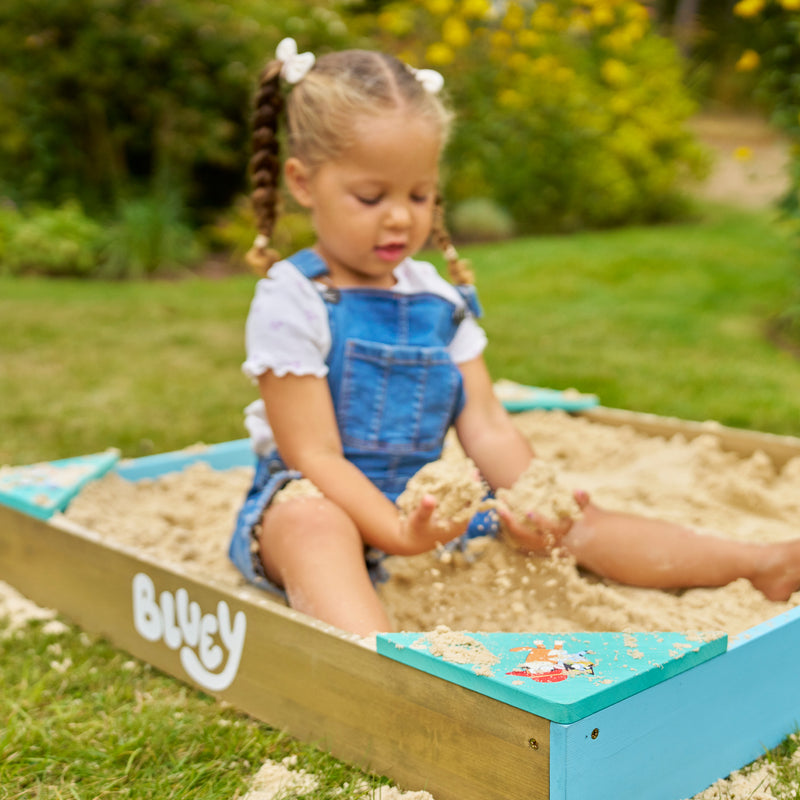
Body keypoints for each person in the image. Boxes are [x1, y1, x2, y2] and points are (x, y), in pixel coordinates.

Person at [228, 38, 800, 636]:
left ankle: (759, 563)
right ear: (302, 182)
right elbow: (313, 455)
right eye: (371, 197)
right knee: (312, 525)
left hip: (430, 516)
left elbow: (487, 424)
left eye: (420, 195)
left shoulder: (438, 299)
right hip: (326, 504)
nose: (401, 216)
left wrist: (530, 499)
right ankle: (388, 674)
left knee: (573, 519)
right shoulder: (293, 297)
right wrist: (397, 533)